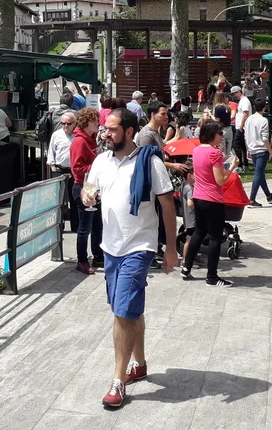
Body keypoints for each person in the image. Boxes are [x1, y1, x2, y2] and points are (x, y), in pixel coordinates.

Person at [81, 108, 177, 408]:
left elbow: (167, 205)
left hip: (139, 246)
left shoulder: (150, 162)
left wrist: (171, 248)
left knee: (122, 313)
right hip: (110, 247)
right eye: (105, 129)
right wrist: (86, 194)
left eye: (112, 129)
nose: (105, 134)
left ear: (130, 131)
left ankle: (118, 380)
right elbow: (88, 186)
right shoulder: (101, 160)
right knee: (128, 308)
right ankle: (140, 364)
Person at [181, 121, 233, 286]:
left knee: (199, 232)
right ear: (212, 135)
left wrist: (221, 160)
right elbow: (220, 180)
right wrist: (232, 167)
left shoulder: (197, 150)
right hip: (213, 199)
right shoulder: (214, 153)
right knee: (215, 238)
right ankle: (212, 277)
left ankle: (186, 267)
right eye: (219, 134)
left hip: (199, 197)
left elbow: (206, 167)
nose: (221, 136)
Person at [71, 107, 103, 274]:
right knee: (85, 227)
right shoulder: (80, 141)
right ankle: (82, 260)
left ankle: (98, 256)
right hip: (83, 187)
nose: (98, 122)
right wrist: (98, 167)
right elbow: (76, 169)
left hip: (93, 187)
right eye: (94, 120)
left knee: (97, 225)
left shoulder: (90, 139)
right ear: (85, 123)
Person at [245, 98, 272, 206]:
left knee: (260, 173)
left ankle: (268, 195)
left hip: (252, 148)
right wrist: (270, 151)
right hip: (261, 150)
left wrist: (248, 148)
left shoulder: (249, 119)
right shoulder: (263, 120)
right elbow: (265, 139)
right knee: (258, 173)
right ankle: (252, 199)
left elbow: (246, 135)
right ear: (264, 108)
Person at [231, 86, 253, 172]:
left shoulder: (245, 101)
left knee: (235, 144)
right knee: (243, 146)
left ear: (238, 92)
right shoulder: (242, 101)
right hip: (241, 127)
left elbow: (245, 114)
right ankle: (245, 164)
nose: (233, 96)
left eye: (234, 94)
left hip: (242, 127)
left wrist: (241, 126)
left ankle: (240, 163)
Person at [211, 92, 233, 157]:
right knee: (228, 150)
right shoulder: (227, 107)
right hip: (229, 129)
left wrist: (210, 115)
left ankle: (223, 162)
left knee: (222, 150)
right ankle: (229, 161)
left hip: (222, 130)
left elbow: (217, 120)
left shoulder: (218, 107)